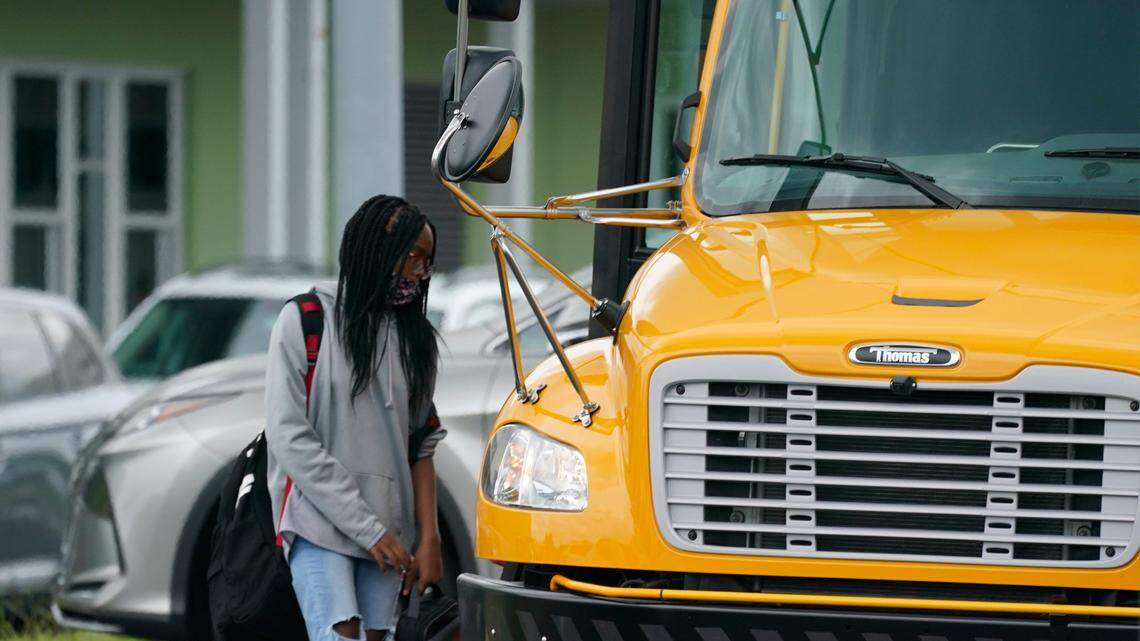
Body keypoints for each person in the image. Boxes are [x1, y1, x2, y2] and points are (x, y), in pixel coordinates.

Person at [265, 195, 445, 641]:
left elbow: (420, 444)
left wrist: (430, 539)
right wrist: (366, 529)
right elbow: (289, 438)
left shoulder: (415, 341)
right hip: (316, 521)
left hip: (391, 532)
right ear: (376, 251)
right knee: (339, 635)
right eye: (411, 257)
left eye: (427, 261)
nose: (419, 273)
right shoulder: (305, 321)